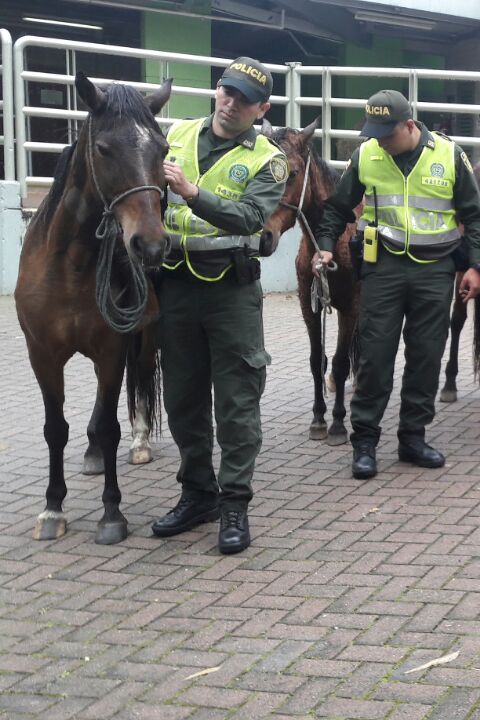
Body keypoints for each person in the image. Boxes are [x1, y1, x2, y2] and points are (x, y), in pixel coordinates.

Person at [313, 90, 480, 479]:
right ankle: (364, 443)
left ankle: (413, 437)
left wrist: (476, 266)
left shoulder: (449, 156)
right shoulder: (367, 156)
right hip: (383, 270)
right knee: (375, 357)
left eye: (386, 134)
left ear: (410, 125)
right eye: (373, 134)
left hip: (434, 272)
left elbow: (475, 217)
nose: (380, 142)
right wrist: (325, 246)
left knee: (426, 357)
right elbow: (337, 209)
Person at [150, 57, 287, 554]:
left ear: (261, 108)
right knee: (183, 400)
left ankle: (234, 505)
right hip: (175, 286)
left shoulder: (269, 159)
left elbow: (251, 217)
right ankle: (197, 495)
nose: (231, 103)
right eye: (226, 91)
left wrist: (191, 191)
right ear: (216, 91)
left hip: (231, 291)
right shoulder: (176, 134)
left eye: (244, 99)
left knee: (236, 403)